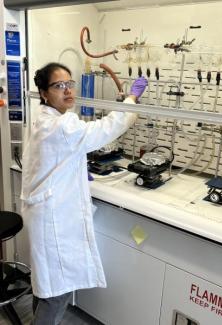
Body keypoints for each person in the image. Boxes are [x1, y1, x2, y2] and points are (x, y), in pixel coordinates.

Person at [20, 62, 148, 325]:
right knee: (56, 294)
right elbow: (103, 130)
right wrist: (131, 99)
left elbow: (57, 154)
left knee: (47, 288)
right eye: (58, 86)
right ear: (44, 93)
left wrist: (73, 169)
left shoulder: (47, 119)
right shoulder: (60, 126)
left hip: (45, 211)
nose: (68, 90)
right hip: (53, 218)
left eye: (70, 83)